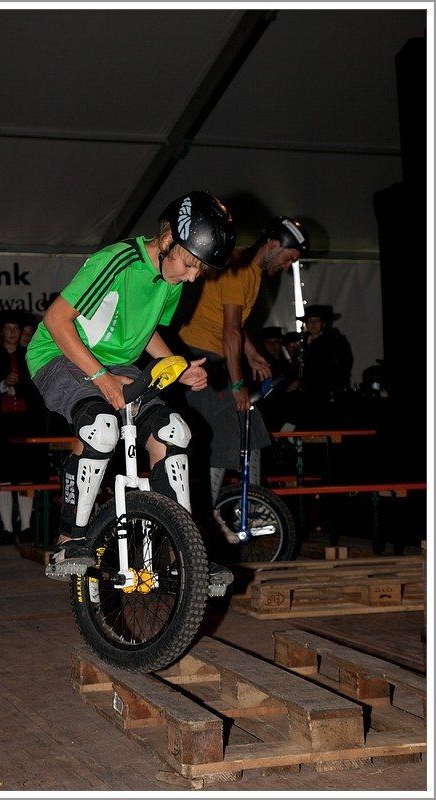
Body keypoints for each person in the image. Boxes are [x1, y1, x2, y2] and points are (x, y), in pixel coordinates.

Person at [26, 190, 236, 588]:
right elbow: (56, 320)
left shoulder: (171, 277)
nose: (193, 277)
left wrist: (177, 366)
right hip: (58, 353)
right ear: (169, 239)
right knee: (101, 428)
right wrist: (101, 378)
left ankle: (183, 554)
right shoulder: (118, 260)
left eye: (200, 270)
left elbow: (147, 330)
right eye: (190, 264)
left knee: (174, 431)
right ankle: (70, 541)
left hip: (117, 363)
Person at [178, 215, 310, 517]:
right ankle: (205, 518)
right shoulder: (239, 269)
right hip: (199, 357)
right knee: (225, 434)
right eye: (289, 258)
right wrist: (238, 384)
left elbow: (235, 326)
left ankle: (251, 508)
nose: (287, 266)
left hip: (215, 358)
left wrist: (252, 355)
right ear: (273, 245)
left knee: (254, 431)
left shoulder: (251, 271)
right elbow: (230, 332)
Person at [0, 311, 48, 544]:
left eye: (16, 329)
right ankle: (8, 527)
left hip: (26, 424)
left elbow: (38, 391)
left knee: (26, 476)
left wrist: (17, 387)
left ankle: (26, 525)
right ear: (2, 332)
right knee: (4, 477)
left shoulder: (29, 356)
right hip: (0, 425)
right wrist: (3, 385)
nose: (12, 332)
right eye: (8, 328)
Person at [298, 304, 353, 403]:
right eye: (310, 321)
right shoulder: (302, 343)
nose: (313, 324)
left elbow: (342, 366)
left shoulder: (334, 342)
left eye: (317, 321)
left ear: (323, 323)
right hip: (306, 393)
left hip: (327, 393)